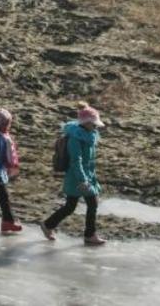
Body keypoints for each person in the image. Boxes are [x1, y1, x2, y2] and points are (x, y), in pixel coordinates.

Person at [40, 101, 106, 246]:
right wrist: (83, 179)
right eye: (94, 124)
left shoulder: (90, 135)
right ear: (86, 123)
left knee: (73, 206)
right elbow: (76, 161)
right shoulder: (75, 139)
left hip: (87, 175)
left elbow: (88, 160)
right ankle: (89, 235)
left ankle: (48, 225)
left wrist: (89, 176)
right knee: (86, 204)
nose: (96, 126)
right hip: (77, 177)